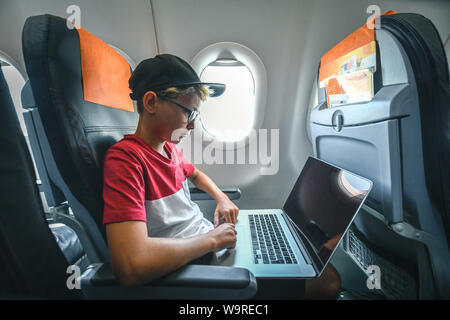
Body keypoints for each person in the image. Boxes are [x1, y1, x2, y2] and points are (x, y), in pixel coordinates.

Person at [103, 53, 341, 299]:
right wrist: (212, 241)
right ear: (151, 102)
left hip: (204, 245)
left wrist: (221, 198)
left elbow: (195, 174)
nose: (193, 125)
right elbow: (131, 266)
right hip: (190, 267)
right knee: (327, 281)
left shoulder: (167, 148)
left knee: (310, 257)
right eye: (188, 113)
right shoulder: (126, 160)